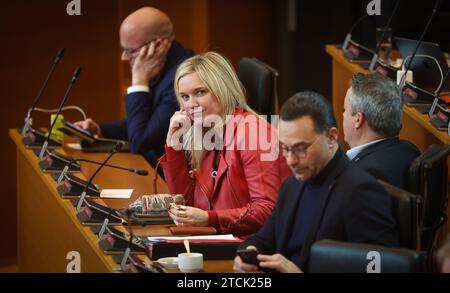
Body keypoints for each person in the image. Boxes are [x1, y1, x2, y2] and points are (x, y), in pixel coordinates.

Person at [233, 91, 399, 273]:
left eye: (300, 148)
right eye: (285, 148)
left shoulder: (361, 192)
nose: (290, 160)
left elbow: (377, 269)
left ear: (331, 137)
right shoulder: (291, 186)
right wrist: (249, 254)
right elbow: (264, 239)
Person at [159, 52, 291, 237]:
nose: (191, 104)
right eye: (185, 97)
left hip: (254, 247)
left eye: (200, 92)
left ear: (223, 90)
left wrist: (210, 218)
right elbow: (184, 205)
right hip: (220, 238)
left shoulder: (253, 132)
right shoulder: (206, 131)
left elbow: (267, 211)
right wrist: (174, 147)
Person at [75, 7, 194, 168]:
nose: (123, 57)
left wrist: (139, 80)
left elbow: (140, 141)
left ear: (157, 46)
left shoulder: (184, 79)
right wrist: (101, 130)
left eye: (130, 51)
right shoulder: (165, 66)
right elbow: (149, 121)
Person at [343, 72, 420, 190]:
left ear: (358, 119)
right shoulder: (411, 150)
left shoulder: (359, 177)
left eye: (345, 110)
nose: (343, 115)